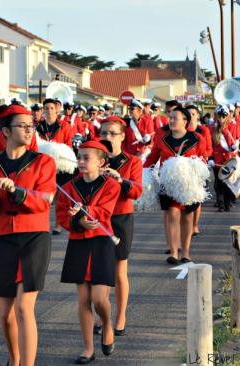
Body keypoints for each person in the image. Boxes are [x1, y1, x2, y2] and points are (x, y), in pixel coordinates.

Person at [0, 103, 56, 366]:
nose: (30, 130)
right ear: (6, 131)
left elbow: (44, 201)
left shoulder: (44, 161)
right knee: (5, 314)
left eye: (32, 125)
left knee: (23, 308)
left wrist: (17, 192)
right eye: (23, 125)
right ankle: (14, 358)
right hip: (2, 239)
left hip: (34, 237)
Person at [56, 140, 120, 363]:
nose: (81, 162)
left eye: (86, 158)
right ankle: (88, 348)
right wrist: (78, 223)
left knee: (99, 298)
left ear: (101, 162)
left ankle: (107, 324)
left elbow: (105, 210)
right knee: (83, 298)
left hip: (101, 241)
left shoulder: (112, 185)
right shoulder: (69, 187)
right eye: (79, 157)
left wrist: (85, 210)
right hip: (79, 242)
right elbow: (62, 216)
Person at [96, 116, 142, 338]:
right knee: (100, 270)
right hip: (98, 217)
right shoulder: (95, 159)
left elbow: (136, 191)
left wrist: (120, 180)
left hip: (121, 217)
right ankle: (103, 316)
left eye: (113, 133)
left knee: (119, 271)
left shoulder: (132, 161)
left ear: (122, 136)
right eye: (104, 133)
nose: (107, 137)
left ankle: (121, 316)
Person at [144, 106, 207, 264]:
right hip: (168, 183)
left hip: (188, 185)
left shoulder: (197, 138)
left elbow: (203, 158)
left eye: (175, 118)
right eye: (170, 117)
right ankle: (173, 251)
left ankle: (185, 252)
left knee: (187, 217)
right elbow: (152, 158)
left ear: (185, 121)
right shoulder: (162, 138)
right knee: (172, 213)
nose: (171, 121)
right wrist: (143, 172)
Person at [36, 98, 73, 235]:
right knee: (45, 194)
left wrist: (58, 153)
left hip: (61, 165)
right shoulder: (39, 127)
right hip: (44, 165)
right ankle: (43, 223)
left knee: (58, 196)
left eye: (52, 108)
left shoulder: (64, 126)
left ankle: (58, 224)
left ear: (56, 110)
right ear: (43, 111)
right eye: (46, 109)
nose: (49, 111)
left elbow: (68, 145)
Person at [186, 105, 213, 235]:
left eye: (193, 113)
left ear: (198, 115)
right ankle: (186, 224)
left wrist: (202, 159)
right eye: (188, 113)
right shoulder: (182, 130)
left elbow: (209, 148)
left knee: (197, 197)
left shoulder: (204, 130)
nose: (191, 116)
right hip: (185, 168)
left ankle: (194, 225)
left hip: (199, 166)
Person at [209, 105, 240, 212]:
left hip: (229, 160)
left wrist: (235, 145)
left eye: (224, 116)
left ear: (227, 116)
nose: (221, 118)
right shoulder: (212, 128)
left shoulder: (232, 127)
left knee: (228, 183)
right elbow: (210, 145)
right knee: (218, 183)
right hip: (217, 160)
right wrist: (210, 157)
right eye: (219, 116)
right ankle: (221, 205)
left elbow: (233, 143)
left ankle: (227, 204)